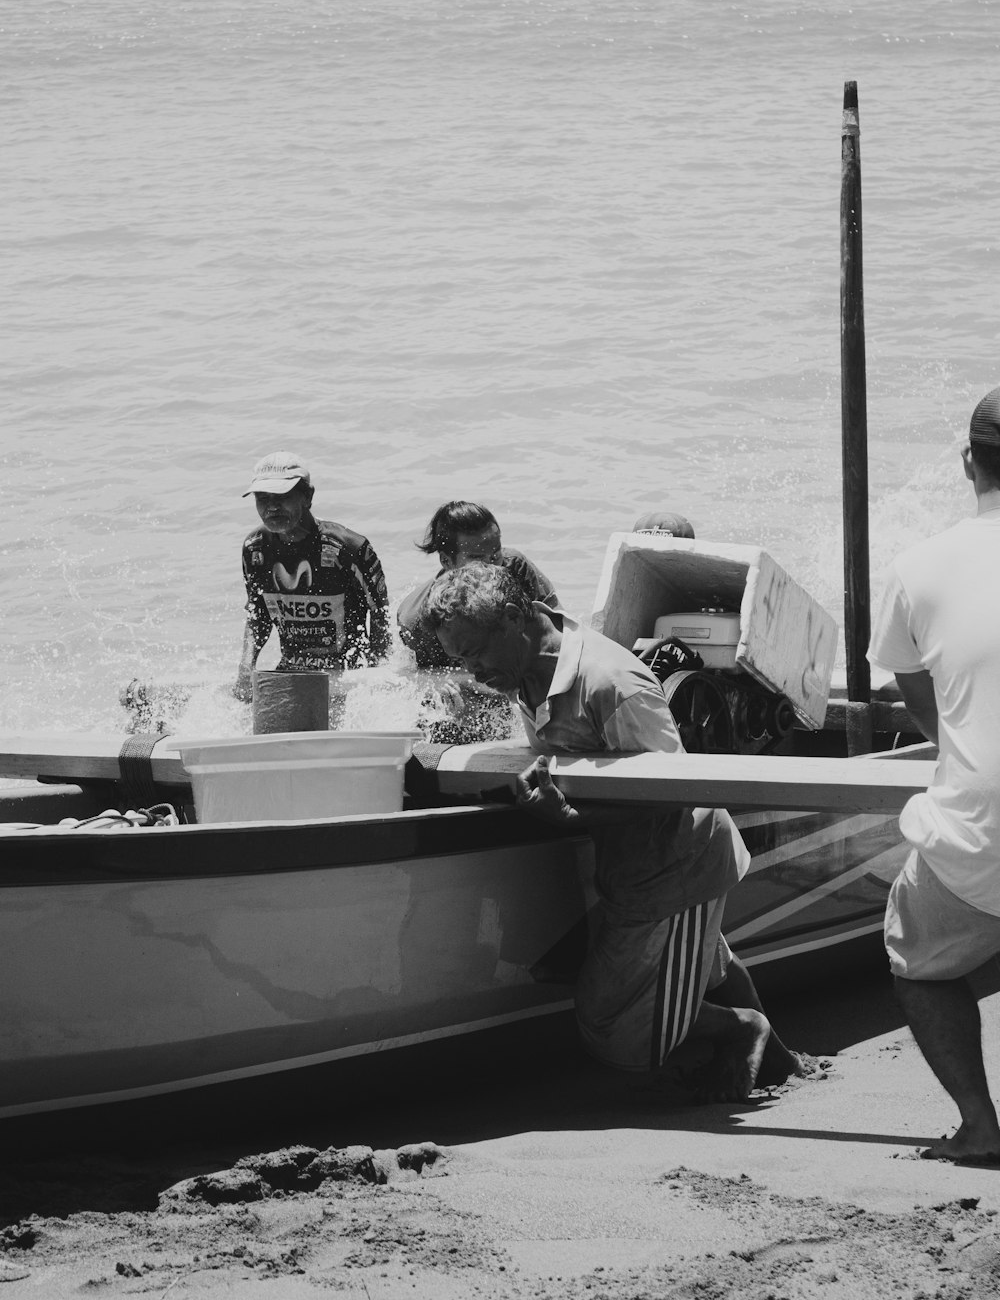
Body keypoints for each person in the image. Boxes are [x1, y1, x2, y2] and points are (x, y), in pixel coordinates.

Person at [424, 560, 807, 1100]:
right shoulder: (526, 664)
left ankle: (743, 1029)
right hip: (630, 865)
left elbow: (674, 789)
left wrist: (569, 818)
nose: (472, 670)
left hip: (677, 864)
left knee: (615, 1030)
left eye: (474, 653)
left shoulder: (612, 683)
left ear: (515, 617)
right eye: (460, 658)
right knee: (708, 962)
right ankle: (781, 1063)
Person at [868, 386, 1000, 1166]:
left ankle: (981, 1125)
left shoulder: (919, 566)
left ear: (967, 463)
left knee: (918, 960)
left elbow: (927, 707)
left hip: (980, 824)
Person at [234, 452, 390, 702]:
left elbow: (380, 611)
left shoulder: (348, 547)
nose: (272, 507)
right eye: (263, 498)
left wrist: (377, 674)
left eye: (283, 497)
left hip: (349, 679)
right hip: (293, 673)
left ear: (308, 496)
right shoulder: (254, 549)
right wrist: (245, 669)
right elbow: (257, 615)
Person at [397, 501, 558, 669]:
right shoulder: (419, 622)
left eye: (495, 556)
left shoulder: (516, 568)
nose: (493, 569)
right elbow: (424, 679)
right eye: (478, 559)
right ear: (446, 561)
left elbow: (562, 631)